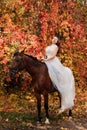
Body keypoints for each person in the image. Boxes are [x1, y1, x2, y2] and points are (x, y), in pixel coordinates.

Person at [42, 36, 75, 113]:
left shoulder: (56, 47)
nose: (53, 40)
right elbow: (46, 54)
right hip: (46, 60)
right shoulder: (48, 46)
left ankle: (58, 84)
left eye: (55, 39)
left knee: (57, 72)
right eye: (53, 38)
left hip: (53, 62)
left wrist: (46, 59)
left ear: (57, 41)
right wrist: (42, 58)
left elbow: (53, 56)